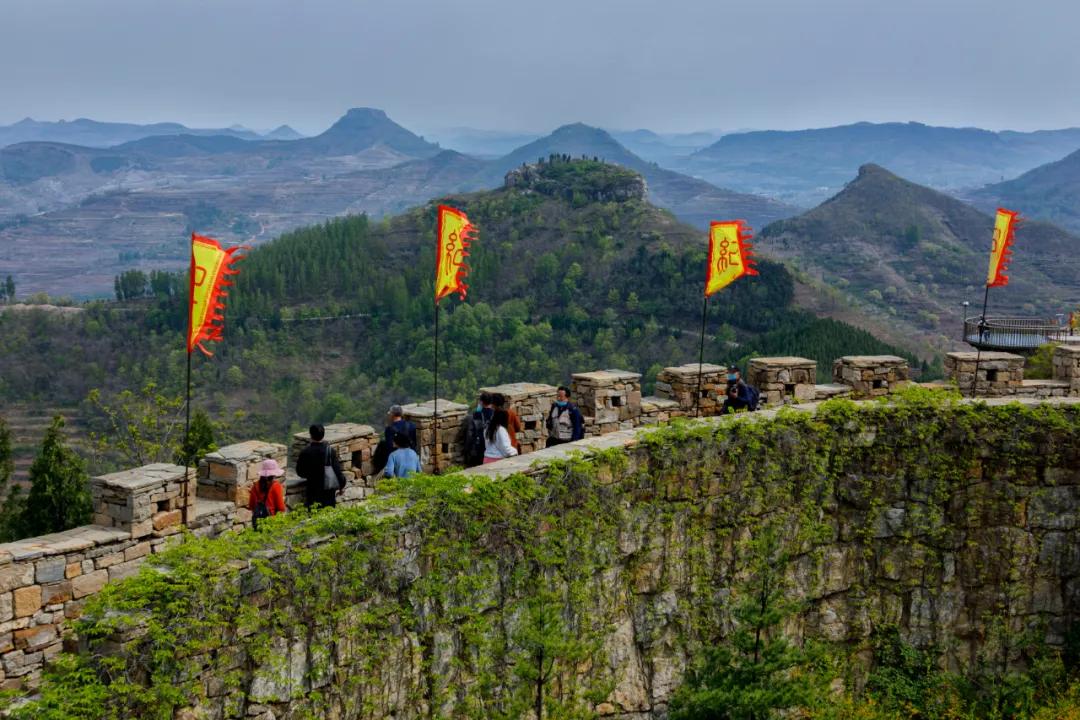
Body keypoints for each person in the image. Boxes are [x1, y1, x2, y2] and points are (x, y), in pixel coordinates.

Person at [296, 423, 346, 509]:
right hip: (328, 492)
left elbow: (300, 472)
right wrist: (342, 485)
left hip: (312, 490)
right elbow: (337, 472)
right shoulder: (330, 451)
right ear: (323, 435)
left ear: (310, 435)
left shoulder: (305, 452)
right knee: (328, 516)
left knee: (314, 516)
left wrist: (310, 474)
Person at [375, 405, 418, 472]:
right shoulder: (412, 425)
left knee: (382, 444)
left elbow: (389, 446)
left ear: (392, 415)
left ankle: (378, 469)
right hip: (411, 455)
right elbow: (414, 442)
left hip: (397, 458)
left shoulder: (389, 429)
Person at [248, 458, 287, 529]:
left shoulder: (255, 486)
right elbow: (281, 508)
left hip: (258, 520)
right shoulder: (276, 486)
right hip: (272, 520)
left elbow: (251, 505)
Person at [464, 392, 495, 467]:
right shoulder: (496, 415)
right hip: (492, 449)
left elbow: (470, 435)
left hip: (478, 449)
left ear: (481, 402)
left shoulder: (475, 416)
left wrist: (467, 450)